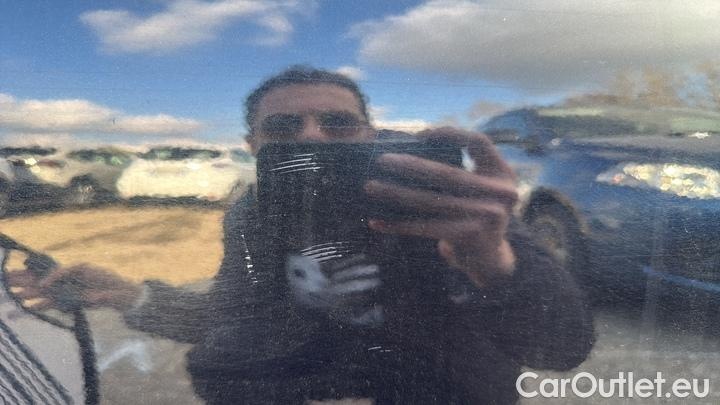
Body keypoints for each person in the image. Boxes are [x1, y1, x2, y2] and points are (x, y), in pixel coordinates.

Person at [9, 66, 594, 404]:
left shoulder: (440, 200)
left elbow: (561, 349)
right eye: (285, 127)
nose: (312, 137)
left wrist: (493, 261)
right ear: (254, 148)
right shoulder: (253, 214)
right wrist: (131, 296)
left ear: (370, 135)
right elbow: (239, 321)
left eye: (338, 123)